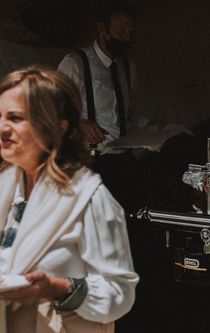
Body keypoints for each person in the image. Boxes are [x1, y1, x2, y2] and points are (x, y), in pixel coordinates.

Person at [0, 67, 138, 333]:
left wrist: (60, 287)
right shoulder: (7, 187)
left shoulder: (92, 200)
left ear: (57, 125)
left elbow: (120, 291)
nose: (2, 128)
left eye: (16, 118)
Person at [57, 1, 149, 211]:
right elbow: (50, 112)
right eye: (121, 31)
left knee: (132, 223)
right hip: (89, 163)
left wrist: (150, 124)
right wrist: (78, 124)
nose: (127, 38)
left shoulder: (129, 67)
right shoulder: (74, 64)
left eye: (130, 32)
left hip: (125, 162)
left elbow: (127, 112)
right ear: (102, 30)